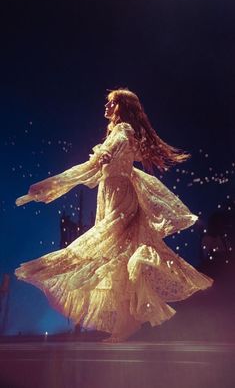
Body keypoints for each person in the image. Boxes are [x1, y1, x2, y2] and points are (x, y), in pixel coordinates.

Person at [15, 88, 213, 342]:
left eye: (111, 103)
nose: (106, 107)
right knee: (117, 260)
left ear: (122, 107)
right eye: (107, 103)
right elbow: (93, 170)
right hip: (110, 196)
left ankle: (127, 322)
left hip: (121, 198)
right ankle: (126, 323)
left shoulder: (123, 131)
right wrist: (47, 188)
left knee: (106, 250)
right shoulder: (116, 133)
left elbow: (94, 165)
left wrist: (46, 187)